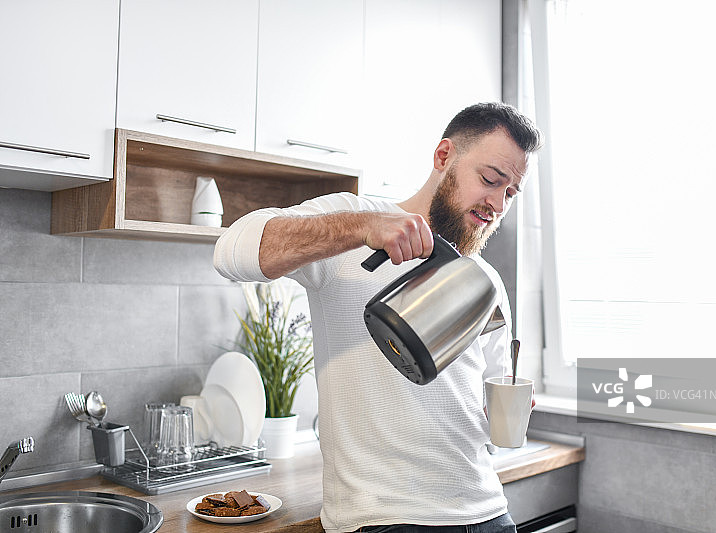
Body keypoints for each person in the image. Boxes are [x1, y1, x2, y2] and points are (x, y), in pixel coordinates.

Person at [214, 102, 543, 533]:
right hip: (386, 519)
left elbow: (486, 408)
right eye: (489, 180)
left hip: (488, 512)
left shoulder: (484, 280)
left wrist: (507, 412)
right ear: (444, 157)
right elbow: (231, 251)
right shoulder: (357, 222)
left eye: (510, 194)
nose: (497, 204)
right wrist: (362, 227)